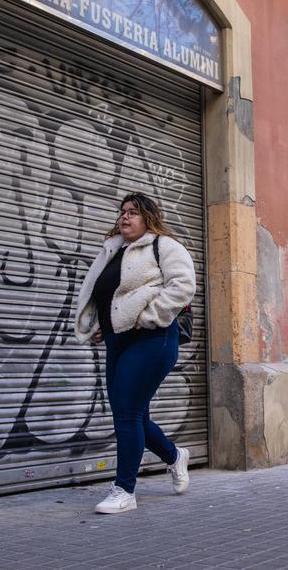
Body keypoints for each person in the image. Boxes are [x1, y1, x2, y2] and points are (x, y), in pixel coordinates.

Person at [74, 193, 196, 514]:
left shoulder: (164, 246)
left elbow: (182, 285)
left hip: (153, 339)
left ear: (149, 218)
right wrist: (105, 323)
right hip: (118, 340)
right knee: (133, 414)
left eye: (134, 213)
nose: (125, 218)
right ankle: (173, 456)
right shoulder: (113, 249)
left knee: (126, 412)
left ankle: (125, 490)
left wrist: (147, 317)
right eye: (123, 212)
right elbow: (107, 295)